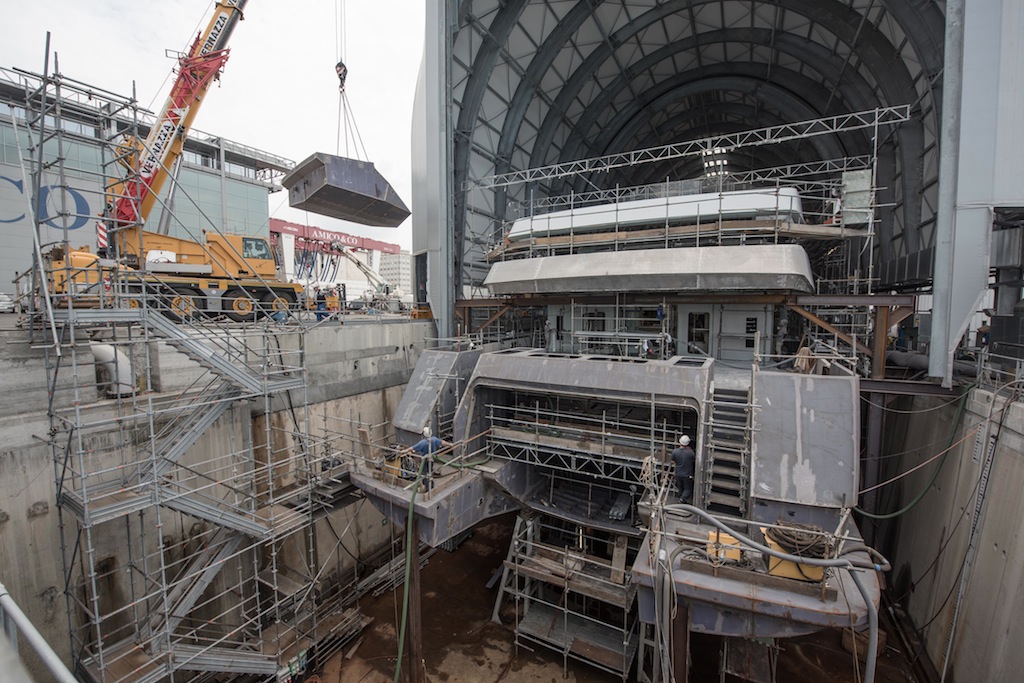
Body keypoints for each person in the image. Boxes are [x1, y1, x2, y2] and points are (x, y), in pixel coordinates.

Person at [671, 435, 695, 504]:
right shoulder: (691, 452)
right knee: (687, 489)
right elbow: (693, 460)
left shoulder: (675, 451)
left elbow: (672, 461)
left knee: (680, 487)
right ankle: (682, 499)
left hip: (678, 473)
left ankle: (680, 498)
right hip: (687, 474)